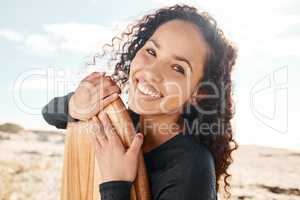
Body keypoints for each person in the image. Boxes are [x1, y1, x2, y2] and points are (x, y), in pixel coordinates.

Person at [42, 4, 238, 200]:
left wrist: (116, 184)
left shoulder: (192, 166)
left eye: (178, 68)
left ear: (199, 93)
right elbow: (50, 112)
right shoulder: (118, 121)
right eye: (152, 52)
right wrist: (76, 106)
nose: (152, 72)